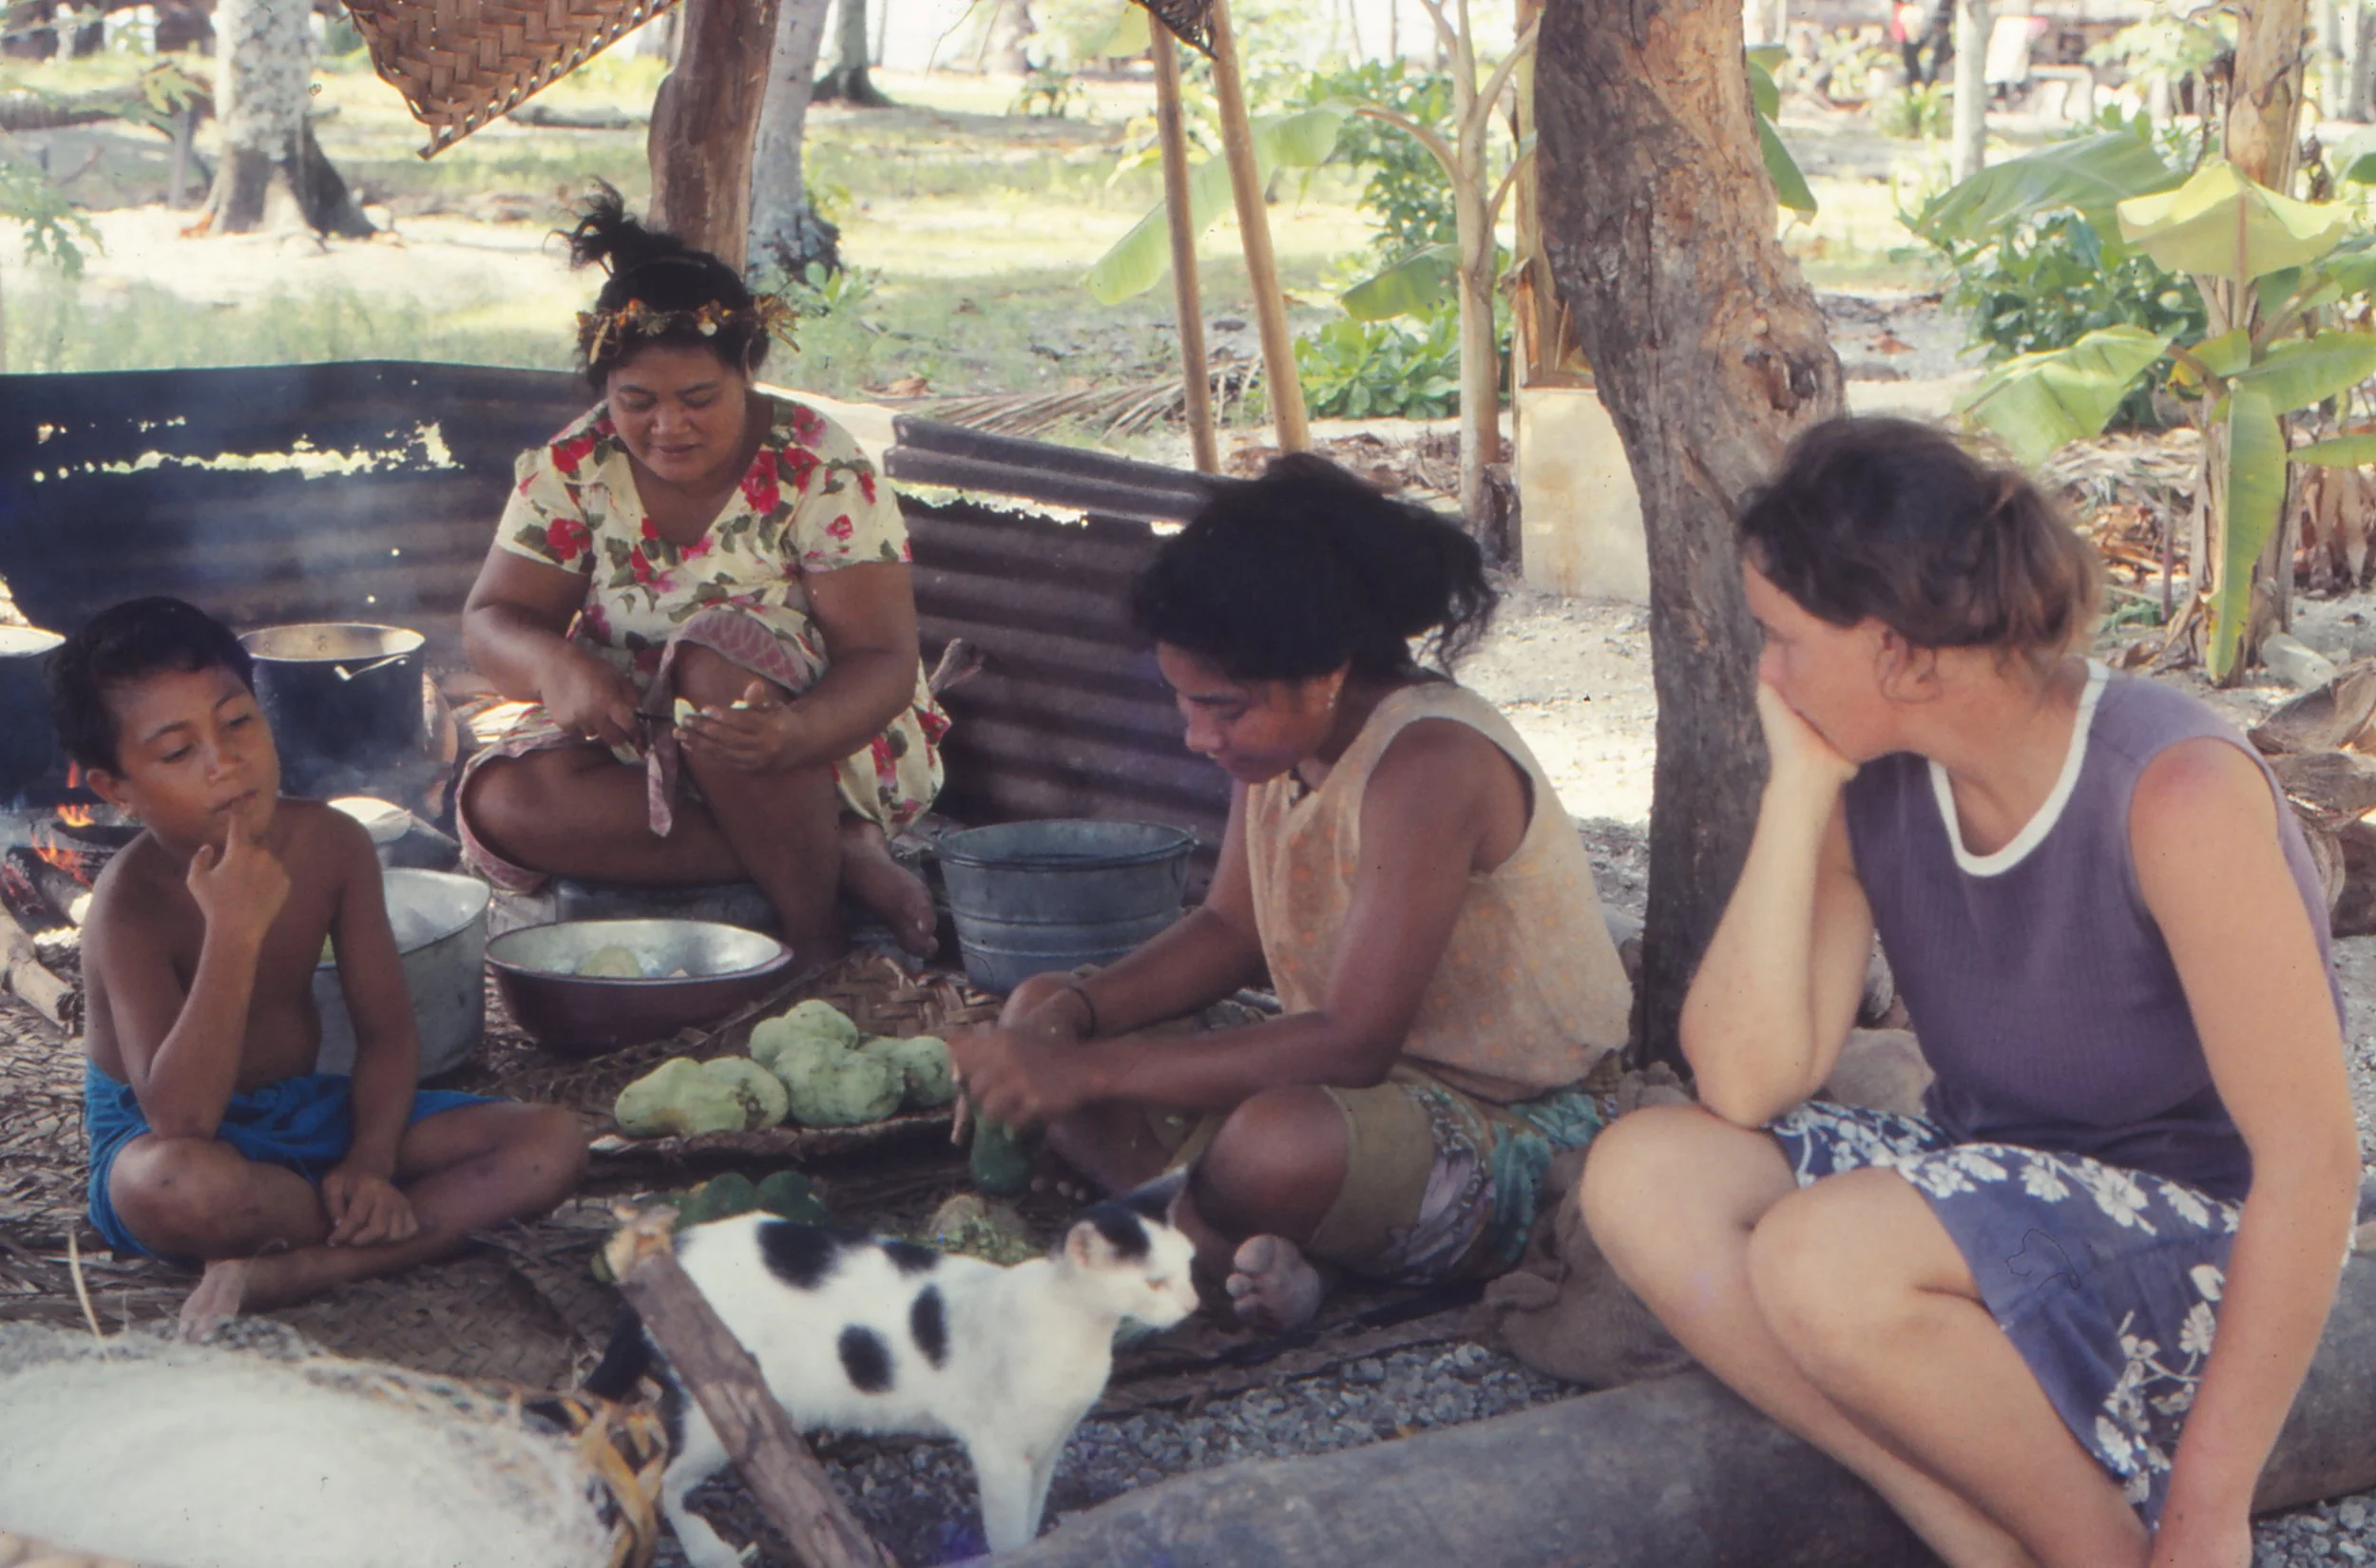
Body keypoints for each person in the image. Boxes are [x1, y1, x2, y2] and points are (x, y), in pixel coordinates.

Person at [1581, 417, 2360, 1568]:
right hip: (1983, 1198)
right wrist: (1798, 792)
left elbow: (2312, 1161)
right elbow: (1742, 1083)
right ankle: (1975, 1540)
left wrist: (2209, 1507)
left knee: (1820, 1256)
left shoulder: (2171, 789)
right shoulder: (1877, 781)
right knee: (1642, 1170)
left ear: (1898, 653)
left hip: (2194, 1242)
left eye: (1783, 638)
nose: (1766, 673)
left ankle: (2106, 1551)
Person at [949, 455, 1633, 1330]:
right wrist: (1071, 1025)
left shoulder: (1430, 763)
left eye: (1225, 709)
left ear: (1330, 672)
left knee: (1278, 1143)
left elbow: (1352, 1046)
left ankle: (1204, 1240)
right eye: (1185, 704)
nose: (1199, 736)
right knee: (1040, 1004)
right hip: (1359, 1086)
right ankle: (1227, 1243)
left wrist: (1087, 1072)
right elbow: (1231, 926)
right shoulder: (1280, 748)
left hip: (1518, 1117)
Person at [59, 598, 587, 1332]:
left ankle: (312, 1262)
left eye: (237, 720)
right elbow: (179, 1117)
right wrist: (233, 931)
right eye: (179, 752)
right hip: (169, 1142)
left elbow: (388, 1034)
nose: (226, 761)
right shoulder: (130, 905)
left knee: (552, 1142)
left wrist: (370, 1162)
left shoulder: (333, 845)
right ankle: (383, 1222)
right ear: (115, 789)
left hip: (307, 1114)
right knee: (180, 1188)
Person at [457, 186, 947, 964]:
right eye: (636, 401)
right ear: (604, 394)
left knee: (715, 654)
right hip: (646, 744)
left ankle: (810, 936)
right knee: (500, 800)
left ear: (746, 371)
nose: (667, 425)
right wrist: (557, 664)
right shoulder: (575, 465)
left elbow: (884, 662)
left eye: (698, 398)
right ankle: (837, 851)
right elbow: (493, 618)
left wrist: (794, 734)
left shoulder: (816, 462)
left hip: (823, 740)